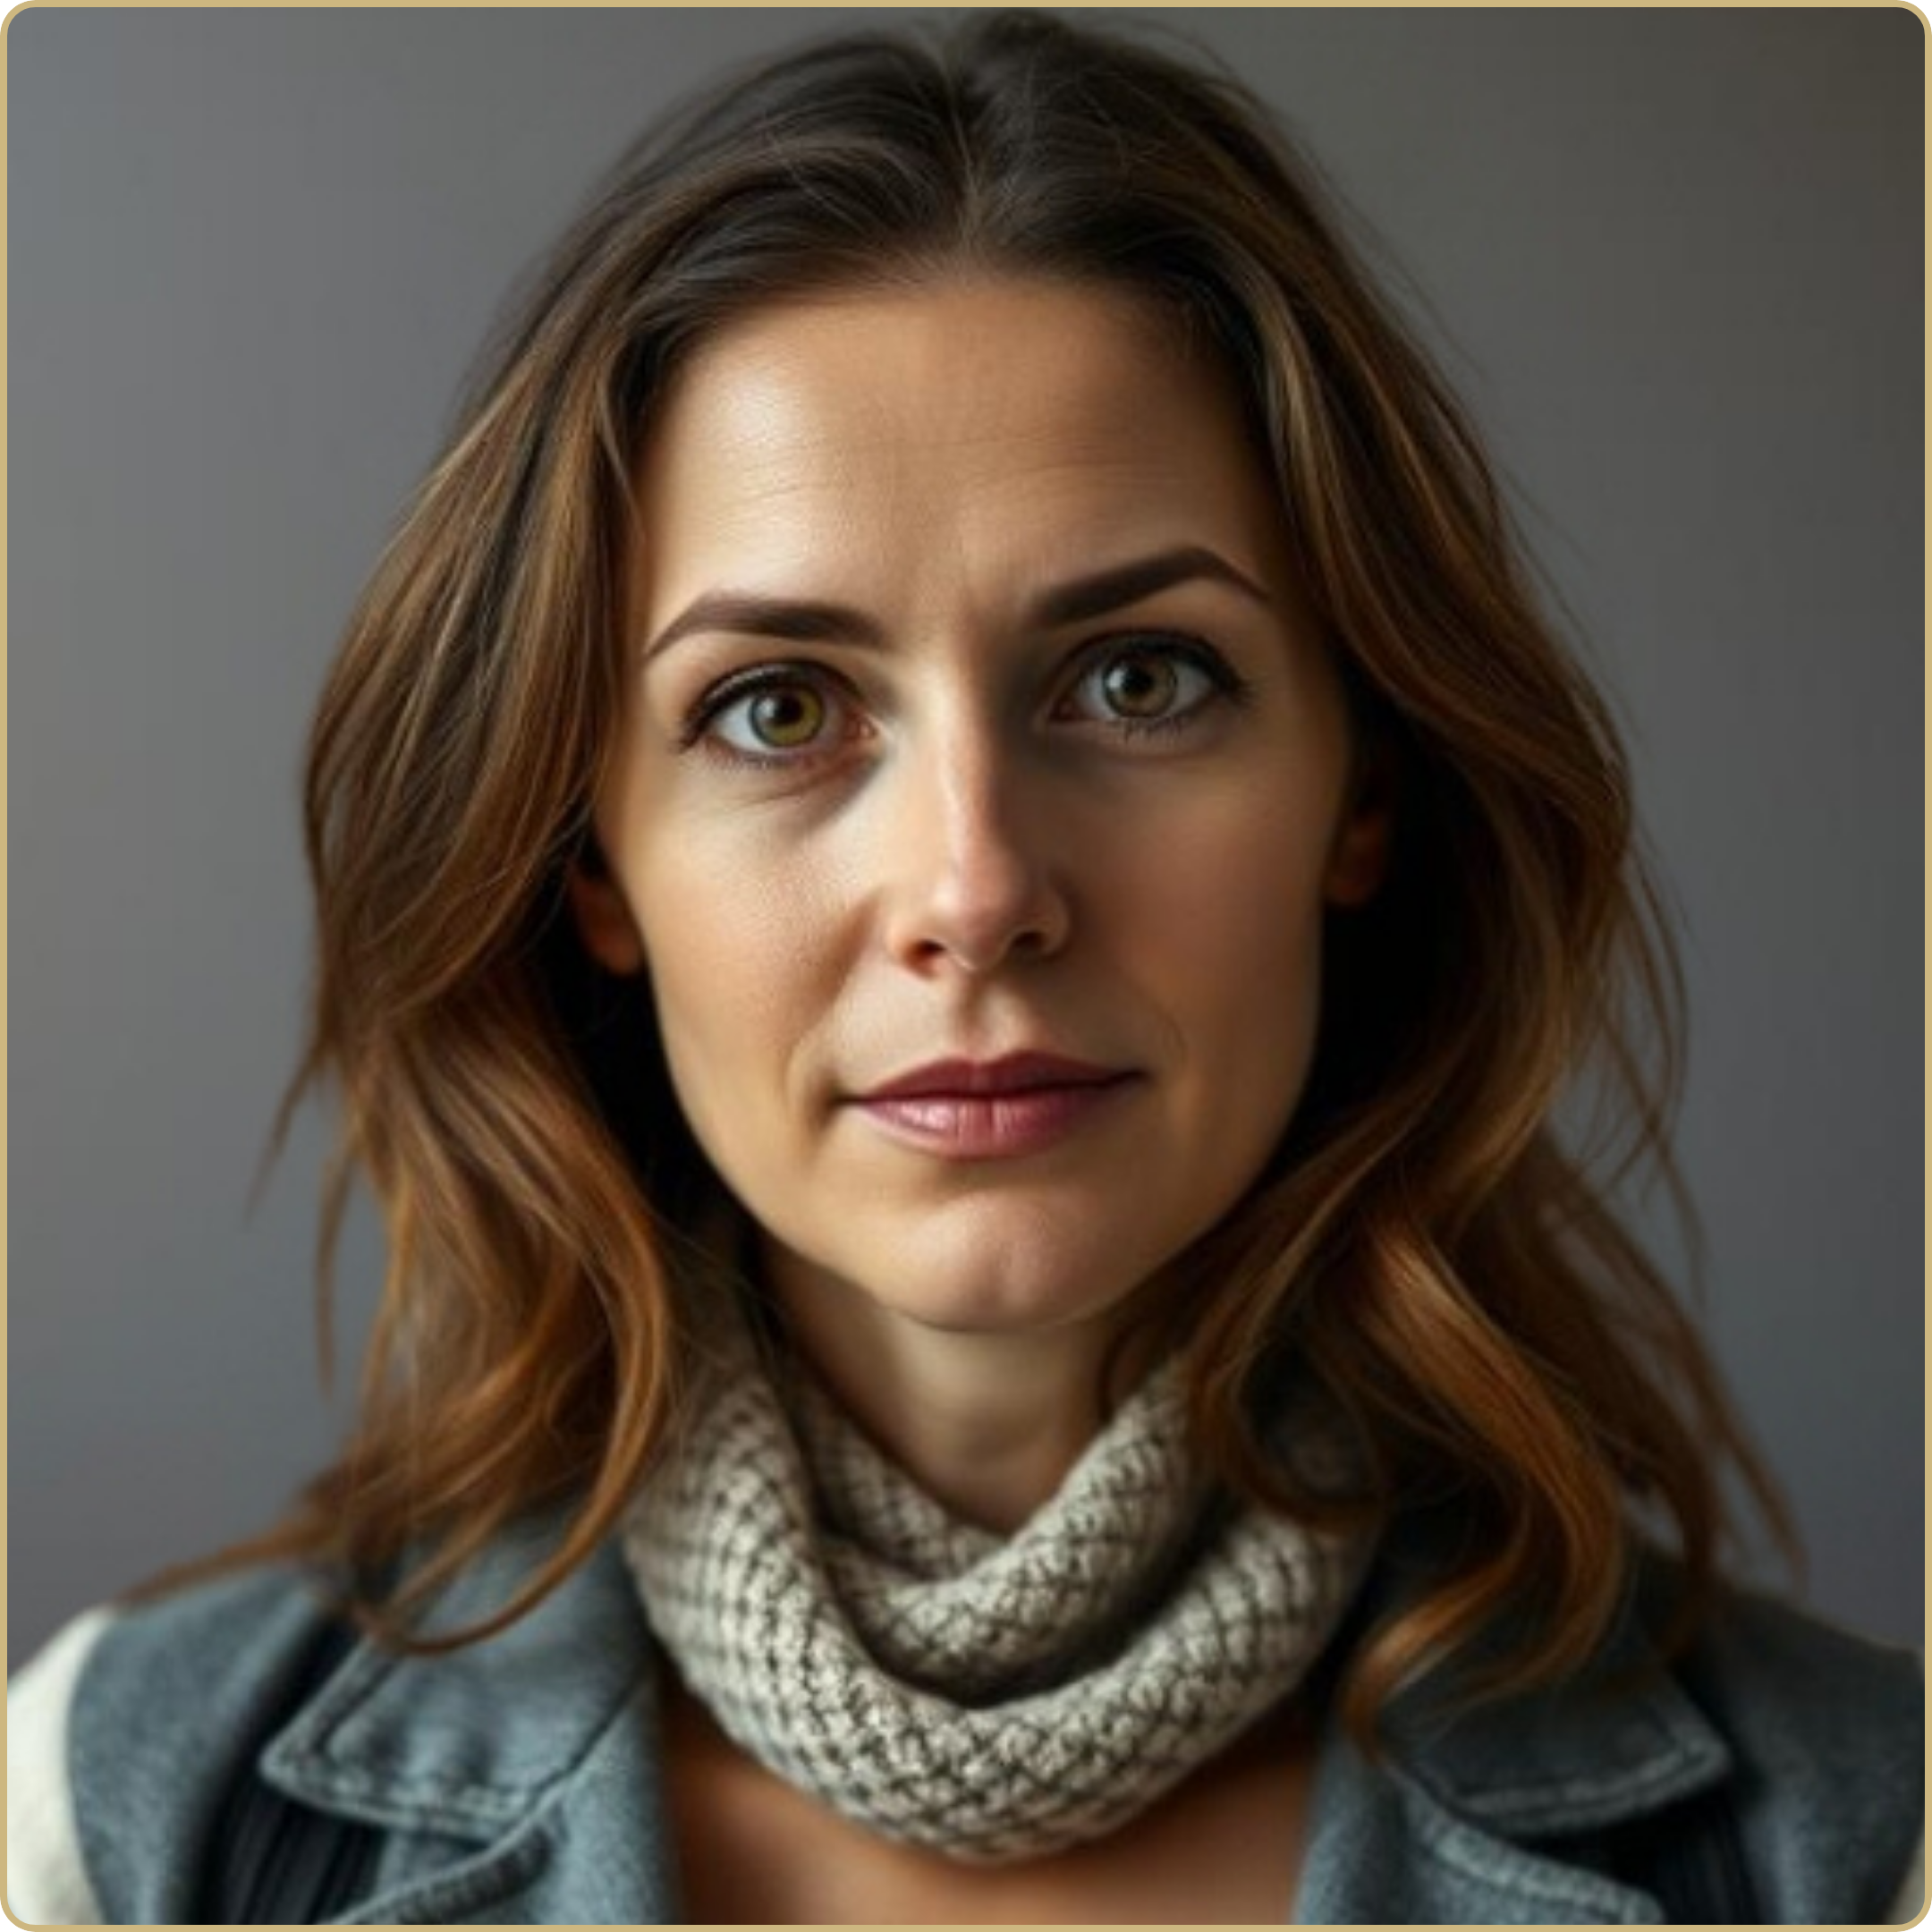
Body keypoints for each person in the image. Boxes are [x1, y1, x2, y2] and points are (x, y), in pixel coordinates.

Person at [9, 11, 1920, 1924]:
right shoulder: (111, 1827)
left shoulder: (1862, 1852)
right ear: (591, 860)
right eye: (777, 708)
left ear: (1365, 793)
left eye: (1140, 679)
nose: (976, 888)